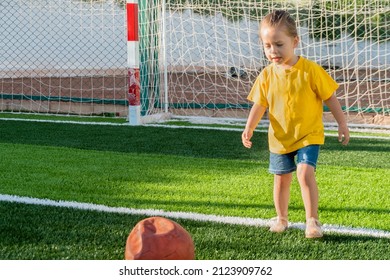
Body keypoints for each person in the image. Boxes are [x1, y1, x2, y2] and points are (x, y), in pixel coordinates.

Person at [242, 10, 350, 238]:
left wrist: (342, 123)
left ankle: (312, 220)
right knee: (281, 179)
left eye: (279, 44)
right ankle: (281, 218)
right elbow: (259, 105)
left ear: (295, 41)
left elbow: (330, 96)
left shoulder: (311, 70)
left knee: (304, 173)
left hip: (308, 135)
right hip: (280, 138)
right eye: (268, 45)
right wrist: (249, 127)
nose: (273, 51)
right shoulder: (266, 75)